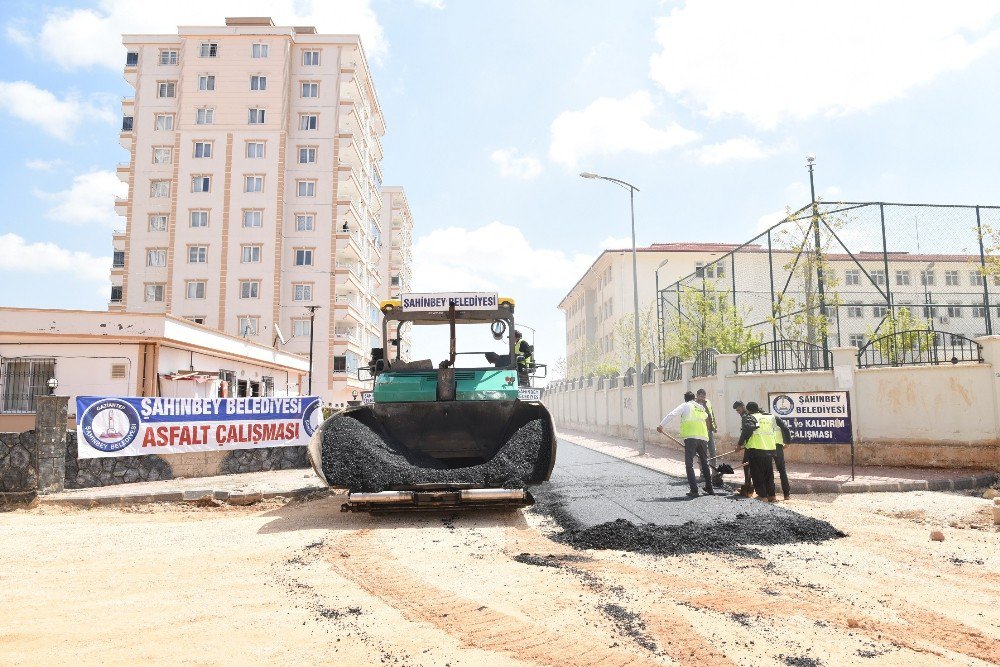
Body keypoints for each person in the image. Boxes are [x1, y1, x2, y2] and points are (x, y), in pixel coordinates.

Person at [657, 391, 714, 498]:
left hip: (691, 438)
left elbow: (672, 414)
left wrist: (661, 425)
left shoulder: (685, 405)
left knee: (689, 464)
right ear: (694, 398)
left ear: (686, 399)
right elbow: (707, 418)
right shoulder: (700, 407)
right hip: (703, 437)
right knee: (705, 462)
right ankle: (709, 488)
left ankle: (694, 490)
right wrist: (706, 431)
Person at [740, 401, 778, 501]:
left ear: (748, 410)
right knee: (768, 473)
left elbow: (747, 430)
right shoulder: (769, 417)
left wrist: (740, 444)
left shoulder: (750, 417)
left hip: (755, 449)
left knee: (757, 473)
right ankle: (772, 495)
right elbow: (775, 429)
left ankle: (762, 496)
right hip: (769, 448)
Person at [732, 401, 756, 497]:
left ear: (743, 406)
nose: (738, 412)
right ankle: (749, 486)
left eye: (738, 409)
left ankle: (748, 488)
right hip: (751, 444)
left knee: (746, 465)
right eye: (736, 410)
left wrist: (739, 445)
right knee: (748, 465)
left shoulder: (746, 416)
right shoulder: (748, 415)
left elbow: (746, 431)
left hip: (751, 445)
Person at [771, 410, 793, 500]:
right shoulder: (775, 418)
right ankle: (786, 494)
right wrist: (787, 442)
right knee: (782, 470)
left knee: (768, 471)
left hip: (766, 447)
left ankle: (771, 495)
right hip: (778, 447)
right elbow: (786, 428)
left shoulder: (761, 420)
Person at [696, 389, 717, 461]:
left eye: (704, 397)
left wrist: (715, 425)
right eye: (701, 396)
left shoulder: (708, 402)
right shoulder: (694, 405)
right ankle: (702, 471)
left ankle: (714, 470)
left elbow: (711, 413)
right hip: (700, 431)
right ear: (697, 396)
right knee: (701, 452)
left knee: (712, 451)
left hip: (709, 430)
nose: (702, 398)